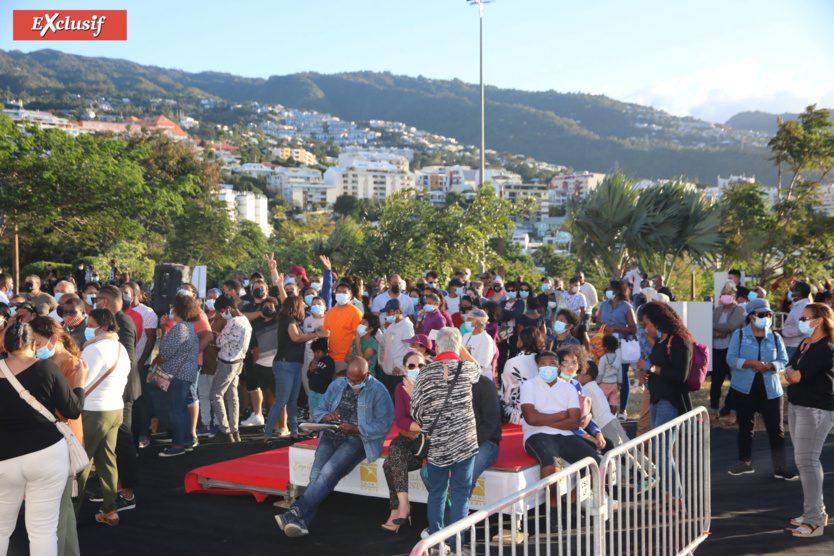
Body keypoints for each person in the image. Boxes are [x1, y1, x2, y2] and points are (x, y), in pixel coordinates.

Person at [276, 357, 394, 537]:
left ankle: (296, 510)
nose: (352, 384)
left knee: (328, 472)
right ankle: (300, 522)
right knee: (315, 476)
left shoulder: (379, 390)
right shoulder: (337, 385)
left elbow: (384, 424)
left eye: (357, 381)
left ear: (367, 375)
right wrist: (326, 417)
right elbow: (319, 410)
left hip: (358, 439)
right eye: (349, 379)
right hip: (330, 435)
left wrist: (357, 429)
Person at [0, 322, 86, 555]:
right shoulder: (47, 368)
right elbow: (72, 410)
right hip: (47, 454)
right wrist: (80, 383)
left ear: (4, 346)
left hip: (4, 457)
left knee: (1, 528)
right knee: (43, 531)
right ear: (33, 345)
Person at [725, 298, 795, 479]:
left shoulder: (775, 337)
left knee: (776, 429)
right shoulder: (740, 335)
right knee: (745, 427)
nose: (767, 318)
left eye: (769, 314)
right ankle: (745, 463)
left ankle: (780, 468)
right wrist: (750, 363)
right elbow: (731, 359)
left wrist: (770, 366)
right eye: (762, 314)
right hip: (743, 389)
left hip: (771, 391)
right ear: (751, 316)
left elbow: (784, 360)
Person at [74, 308, 131, 526]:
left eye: (90, 325)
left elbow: (82, 382)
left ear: (103, 327)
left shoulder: (94, 349)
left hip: (94, 411)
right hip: (115, 409)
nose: (87, 329)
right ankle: (110, 510)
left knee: (81, 462)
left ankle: (71, 514)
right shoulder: (120, 347)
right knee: (107, 460)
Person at [520, 349, 594, 511]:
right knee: (551, 466)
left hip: (565, 435)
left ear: (558, 367)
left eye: (552, 364)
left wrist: (542, 419)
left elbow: (574, 423)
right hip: (536, 435)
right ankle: (553, 508)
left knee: (597, 463)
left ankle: (571, 501)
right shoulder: (529, 385)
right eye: (543, 364)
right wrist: (562, 415)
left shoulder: (568, 388)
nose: (547, 367)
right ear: (538, 367)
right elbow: (531, 419)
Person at [636, 301, 693, 511]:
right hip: (657, 400)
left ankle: (677, 499)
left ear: (658, 321)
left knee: (662, 454)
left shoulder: (680, 341)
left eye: (647, 324)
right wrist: (646, 375)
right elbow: (658, 369)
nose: (645, 328)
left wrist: (650, 367)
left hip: (670, 402)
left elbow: (680, 375)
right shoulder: (662, 341)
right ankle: (668, 497)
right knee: (659, 454)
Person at [784, 303, 834, 537]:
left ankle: (814, 521)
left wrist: (791, 373)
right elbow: (790, 368)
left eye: (805, 318)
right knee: (807, 461)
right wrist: (791, 372)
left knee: (807, 462)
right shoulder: (807, 344)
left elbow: (795, 375)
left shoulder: (826, 347)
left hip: (815, 410)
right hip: (798, 406)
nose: (800, 321)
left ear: (819, 320)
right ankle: (816, 512)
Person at [264, 295, 325, 444]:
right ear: (296, 307)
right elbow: (296, 338)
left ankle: (294, 432)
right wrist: (317, 334)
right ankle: (268, 434)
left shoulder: (291, 322)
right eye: (302, 306)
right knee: (281, 401)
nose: (304, 308)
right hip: (286, 364)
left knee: (292, 401)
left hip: (294, 365)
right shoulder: (289, 322)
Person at [382, 352, 426, 532]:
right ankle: (404, 505)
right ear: (405, 369)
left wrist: (416, 395)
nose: (417, 369)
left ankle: (397, 509)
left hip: (428, 440)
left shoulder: (432, 386)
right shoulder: (401, 388)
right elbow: (400, 419)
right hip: (412, 434)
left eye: (421, 365)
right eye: (412, 366)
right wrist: (420, 428)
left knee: (389, 464)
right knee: (395, 447)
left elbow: (431, 418)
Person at [154, 295, 201, 457]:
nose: (171, 310)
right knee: (181, 409)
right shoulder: (189, 326)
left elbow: (165, 352)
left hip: (176, 375)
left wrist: (155, 361)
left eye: (173, 307)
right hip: (185, 374)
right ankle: (185, 441)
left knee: (175, 410)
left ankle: (178, 445)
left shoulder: (180, 328)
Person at [208, 294, 253, 444]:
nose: (222, 314)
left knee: (215, 395)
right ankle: (235, 431)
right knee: (233, 397)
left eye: (221, 311)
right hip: (238, 362)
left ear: (228, 308)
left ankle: (225, 431)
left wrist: (217, 336)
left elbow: (220, 342)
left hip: (227, 363)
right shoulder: (245, 320)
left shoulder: (233, 322)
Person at [597, 280, 637, 421]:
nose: (607, 291)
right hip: (605, 344)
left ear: (617, 291)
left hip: (621, 345)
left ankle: (623, 409)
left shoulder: (627, 307)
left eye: (610, 289)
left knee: (623, 376)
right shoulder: (603, 305)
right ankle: (608, 408)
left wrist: (616, 328)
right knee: (605, 376)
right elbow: (598, 324)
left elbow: (633, 329)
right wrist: (604, 328)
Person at [241, 296, 280, 428]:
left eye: (271, 306)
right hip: (261, 364)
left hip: (276, 364)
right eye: (265, 306)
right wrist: (256, 365)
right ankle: (268, 421)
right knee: (267, 393)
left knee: (276, 395)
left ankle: (280, 424)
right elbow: (256, 346)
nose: (268, 308)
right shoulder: (257, 325)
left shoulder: (279, 321)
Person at [711, 282, 747, 425]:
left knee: (735, 383)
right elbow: (709, 328)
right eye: (724, 294)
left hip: (733, 351)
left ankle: (733, 413)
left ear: (735, 295)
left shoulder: (739, 310)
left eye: (729, 294)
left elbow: (730, 326)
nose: (726, 296)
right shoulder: (717, 310)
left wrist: (714, 327)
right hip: (717, 350)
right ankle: (714, 411)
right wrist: (717, 332)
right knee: (716, 383)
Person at [501, 327, 545, 424]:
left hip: (520, 416)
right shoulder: (546, 361)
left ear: (521, 343)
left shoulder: (512, 362)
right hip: (543, 414)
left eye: (518, 339)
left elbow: (505, 397)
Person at [322, 283, 364, 375]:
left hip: (346, 359)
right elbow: (325, 334)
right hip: (330, 358)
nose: (341, 294)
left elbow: (358, 336)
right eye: (339, 291)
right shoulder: (330, 312)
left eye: (344, 292)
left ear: (350, 296)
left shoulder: (356, 313)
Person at [379, 299, 415, 394]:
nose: (386, 314)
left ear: (397, 311)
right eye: (386, 312)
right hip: (387, 371)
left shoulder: (406, 327)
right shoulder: (392, 326)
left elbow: (409, 348)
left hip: (398, 372)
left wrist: (400, 365)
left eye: (389, 311)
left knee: (396, 398)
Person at [462, 308, 496, 381]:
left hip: (481, 379)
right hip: (468, 377)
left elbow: (480, 365)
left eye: (469, 319)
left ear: (477, 322)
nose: (466, 321)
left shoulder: (486, 340)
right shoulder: (466, 336)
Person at [782, 281, 812, 360]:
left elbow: (800, 328)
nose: (790, 292)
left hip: (795, 346)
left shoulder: (802, 307)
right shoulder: (799, 305)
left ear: (798, 293)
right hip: (793, 344)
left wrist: (783, 332)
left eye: (792, 290)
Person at [307, 337, 335, 414]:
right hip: (313, 391)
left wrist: (318, 369)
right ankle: (314, 419)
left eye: (318, 352)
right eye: (314, 352)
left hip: (323, 392)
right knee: (313, 410)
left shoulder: (329, 361)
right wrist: (311, 369)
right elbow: (308, 376)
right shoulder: (313, 361)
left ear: (325, 351)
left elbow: (328, 376)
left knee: (322, 411)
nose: (316, 354)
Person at [598, 334, 622, 415]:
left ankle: (604, 416)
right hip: (614, 384)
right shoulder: (618, 358)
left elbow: (600, 373)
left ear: (605, 347)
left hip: (604, 384)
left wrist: (597, 382)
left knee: (603, 402)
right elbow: (620, 372)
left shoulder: (603, 358)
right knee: (614, 402)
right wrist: (619, 382)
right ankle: (613, 416)